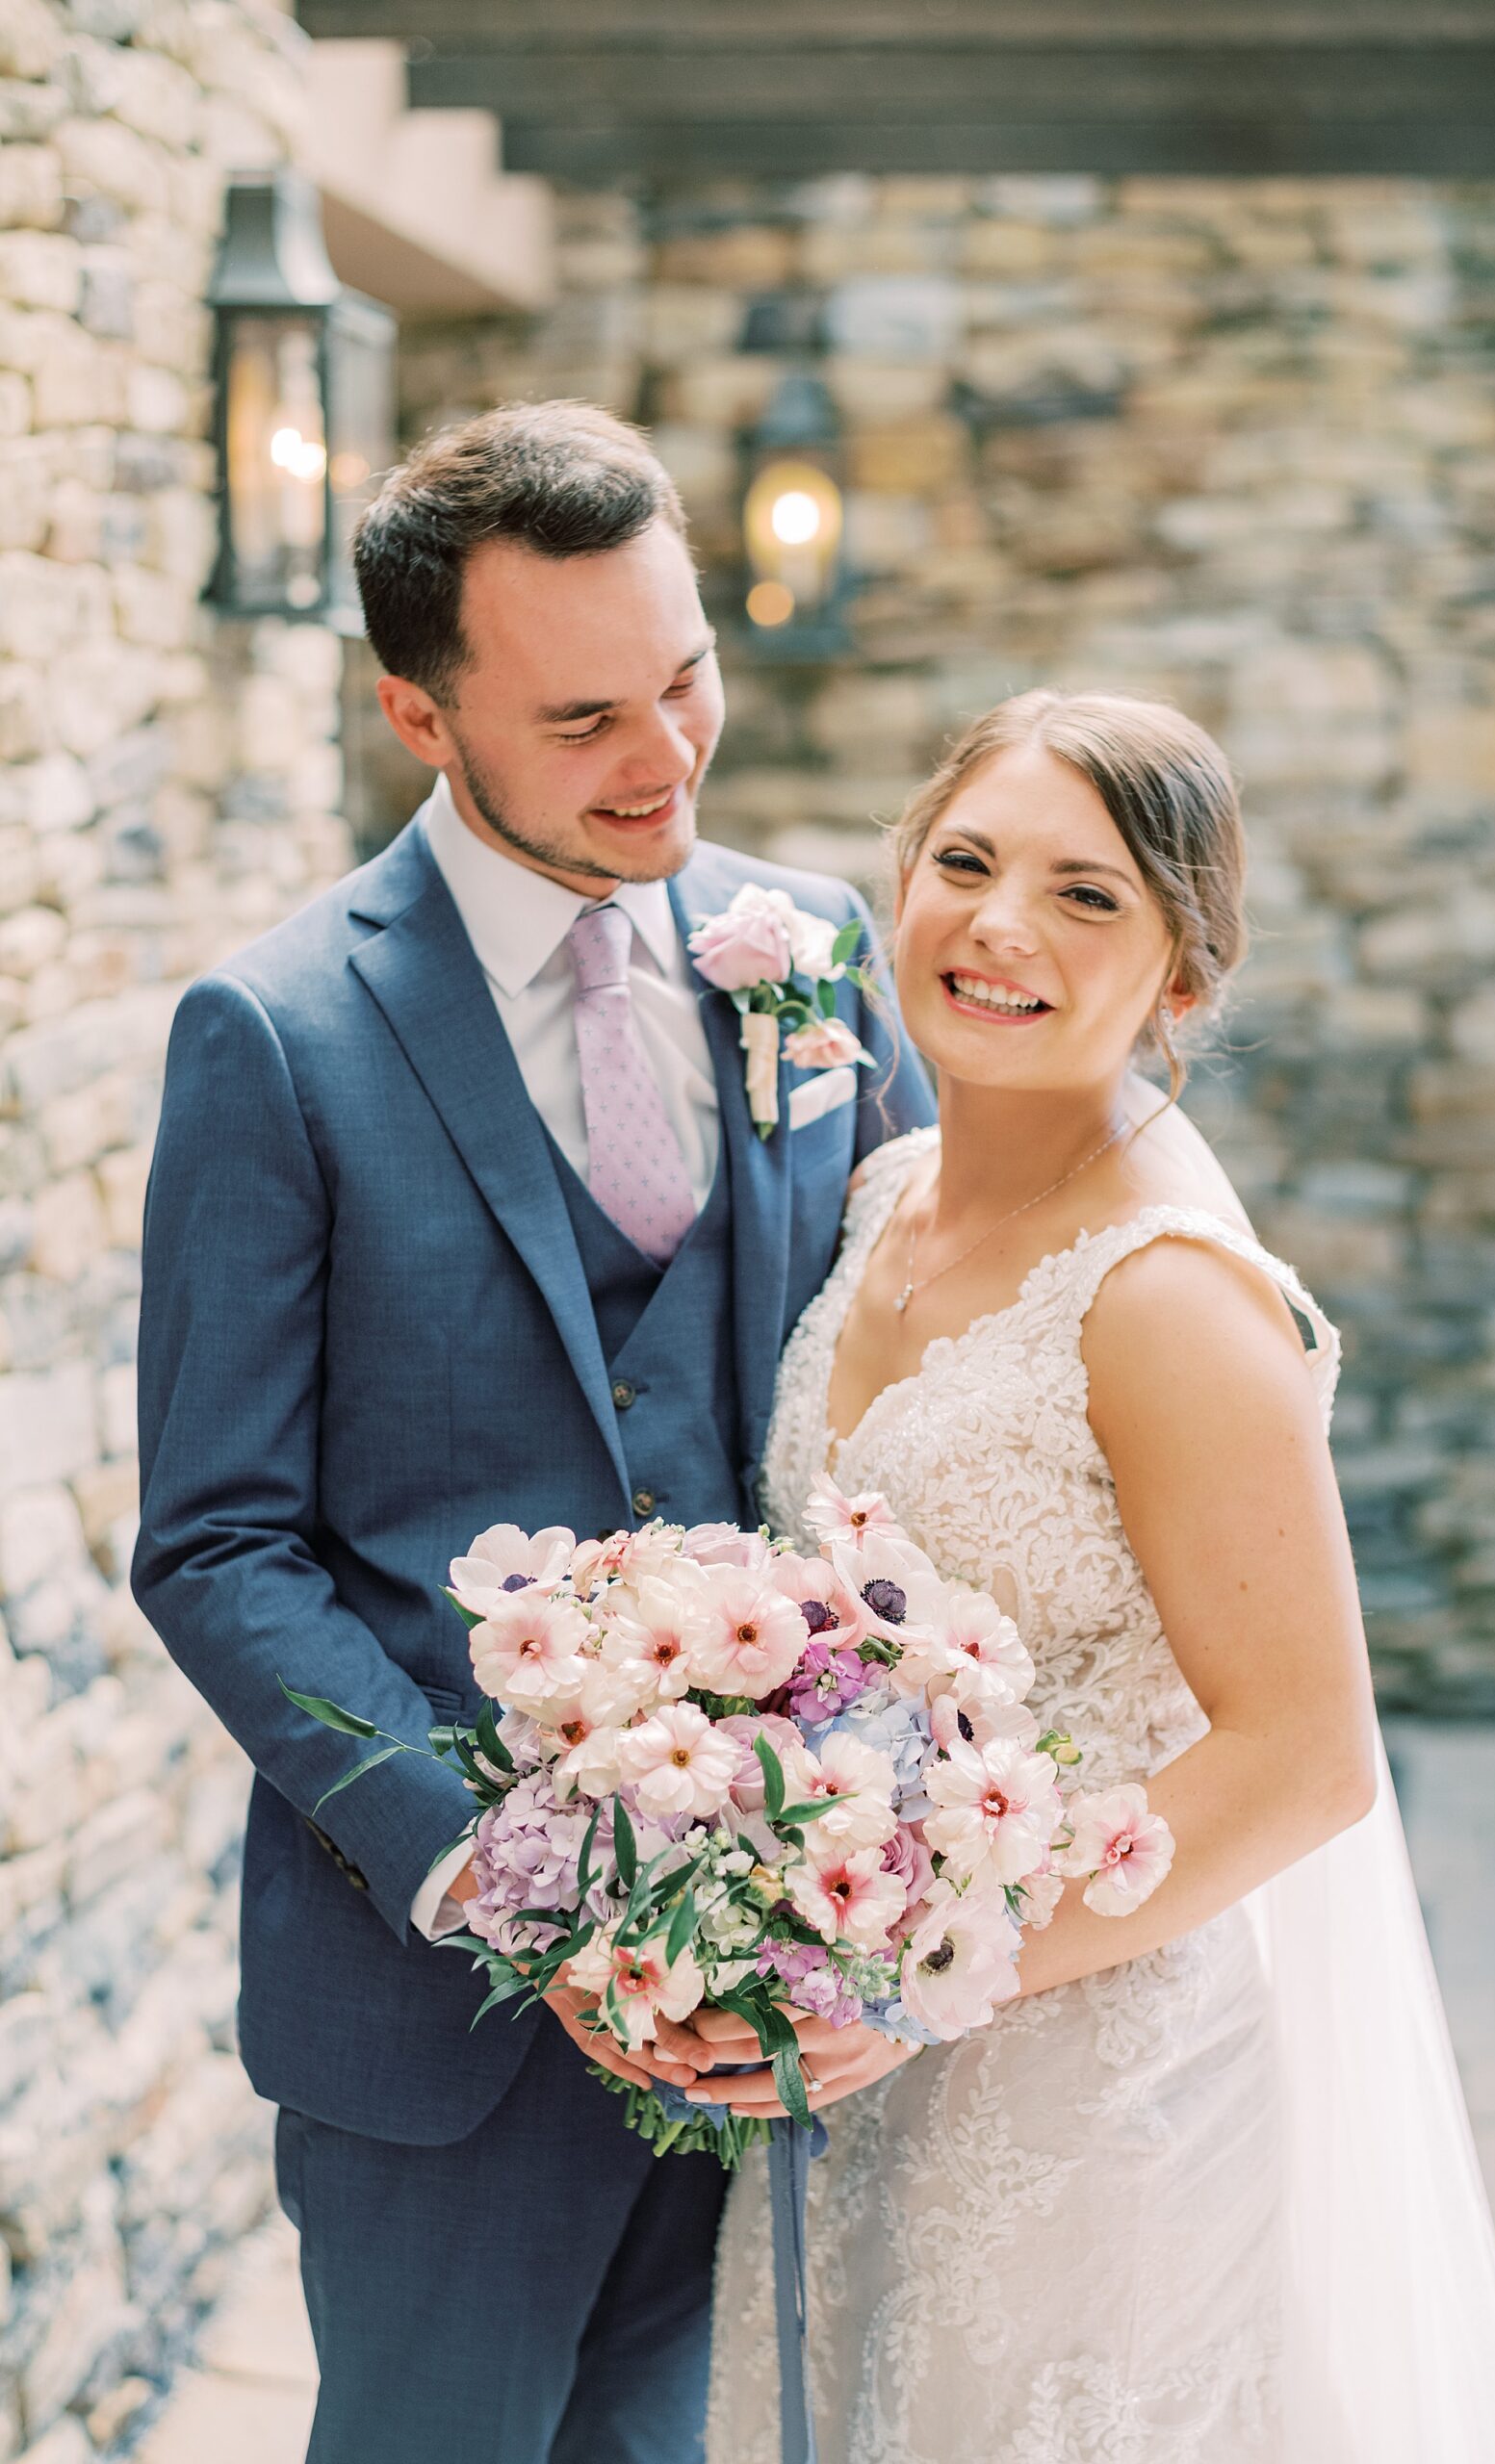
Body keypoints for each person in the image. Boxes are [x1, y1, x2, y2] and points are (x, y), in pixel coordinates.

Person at [130, 400, 933, 2464]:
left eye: (686, 674)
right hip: (441, 2027)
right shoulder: (279, 1034)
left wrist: (885, 1842)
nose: (665, 754)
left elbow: (924, 1412)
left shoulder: (813, 959)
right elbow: (219, 1542)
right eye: (582, 716)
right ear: (420, 711)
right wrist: (490, 1867)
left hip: (795, 1978)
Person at [701, 690, 1495, 2462]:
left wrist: (925, 1969)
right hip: (878, 2068)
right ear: (901, 881)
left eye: (1088, 897)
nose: (1002, 925)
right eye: (968, 862)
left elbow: (1305, 1756)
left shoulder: (1165, 1293)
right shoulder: (888, 1198)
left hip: (1094, 2096)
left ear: (1180, 977)